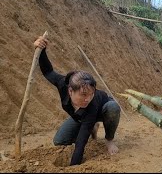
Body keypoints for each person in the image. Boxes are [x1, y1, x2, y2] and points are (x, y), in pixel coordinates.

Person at [34, 36, 121, 166]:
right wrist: (41, 50)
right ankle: (94, 127)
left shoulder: (91, 103)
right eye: (83, 94)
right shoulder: (63, 84)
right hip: (80, 117)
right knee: (60, 141)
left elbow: (81, 141)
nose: (87, 98)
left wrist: (74, 166)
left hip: (102, 111)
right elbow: (48, 71)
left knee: (113, 107)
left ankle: (109, 139)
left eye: (91, 94)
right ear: (70, 91)